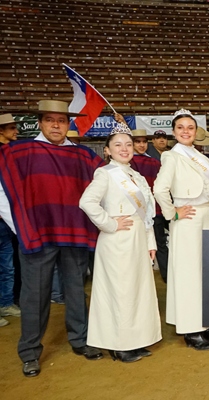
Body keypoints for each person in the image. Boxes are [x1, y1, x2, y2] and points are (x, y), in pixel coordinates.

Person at [0, 100, 104, 377]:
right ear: (40, 123)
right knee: (35, 295)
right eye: (50, 120)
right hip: (37, 235)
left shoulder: (84, 157)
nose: (56, 125)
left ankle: (80, 340)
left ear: (68, 124)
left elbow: (107, 186)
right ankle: (30, 352)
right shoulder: (17, 152)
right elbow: (3, 193)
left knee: (75, 290)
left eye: (61, 121)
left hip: (74, 232)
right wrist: (21, 227)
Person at [79, 123, 161, 363]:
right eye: (117, 145)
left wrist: (150, 241)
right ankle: (119, 346)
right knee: (120, 293)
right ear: (107, 150)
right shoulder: (105, 173)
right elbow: (87, 202)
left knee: (137, 291)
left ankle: (134, 341)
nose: (124, 149)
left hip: (137, 240)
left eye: (128, 144)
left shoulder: (136, 176)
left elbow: (146, 214)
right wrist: (110, 224)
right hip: (116, 242)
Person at [153, 109, 209, 351]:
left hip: (206, 215)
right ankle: (190, 329)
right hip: (188, 218)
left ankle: (205, 323)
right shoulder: (172, 157)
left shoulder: (201, 157)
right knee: (188, 275)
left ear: (196, 132)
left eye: (190, 128)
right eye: (181, 127)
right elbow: (160, 189)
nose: (186, 131)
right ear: (174, 132)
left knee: (206, 273)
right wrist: (172, 212)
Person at [128, 128, 170, 283]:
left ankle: (166, 276)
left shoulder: (155, 162)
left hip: (154, 210)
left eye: (144, 141)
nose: (141, 145)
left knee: (159, 243)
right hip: (136, 211)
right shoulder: (128, 162)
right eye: (137, 142)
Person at [0, 113, 20, 327]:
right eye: (11, 128)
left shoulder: (9, 152)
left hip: (7, 219)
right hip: (3, 216)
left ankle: (5, 302)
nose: (16, 131)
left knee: (7, 265)